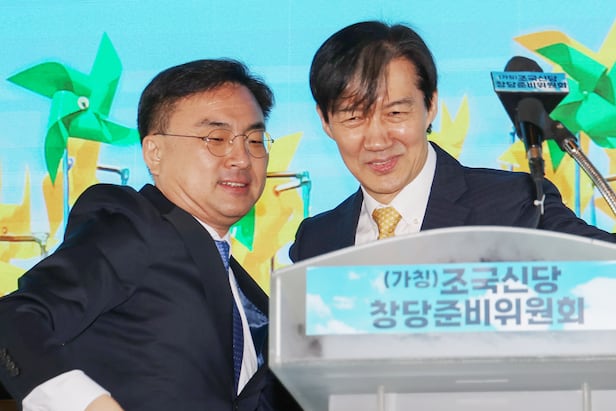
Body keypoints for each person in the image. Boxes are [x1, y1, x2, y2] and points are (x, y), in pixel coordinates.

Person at [0, 59, 299, 410]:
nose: (242, 158)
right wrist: (90, 404)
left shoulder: (251, 299)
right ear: (154, 153)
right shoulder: (132, 225)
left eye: (255, 140)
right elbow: (14, 319)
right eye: (217, 139)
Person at [289, 20, 615, 262]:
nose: (377, 140)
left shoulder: (517, 205)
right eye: (354, 118)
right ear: (325, 121)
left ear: (431, 105)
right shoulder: (316, 241)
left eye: (395, 113)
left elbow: (604, 264)